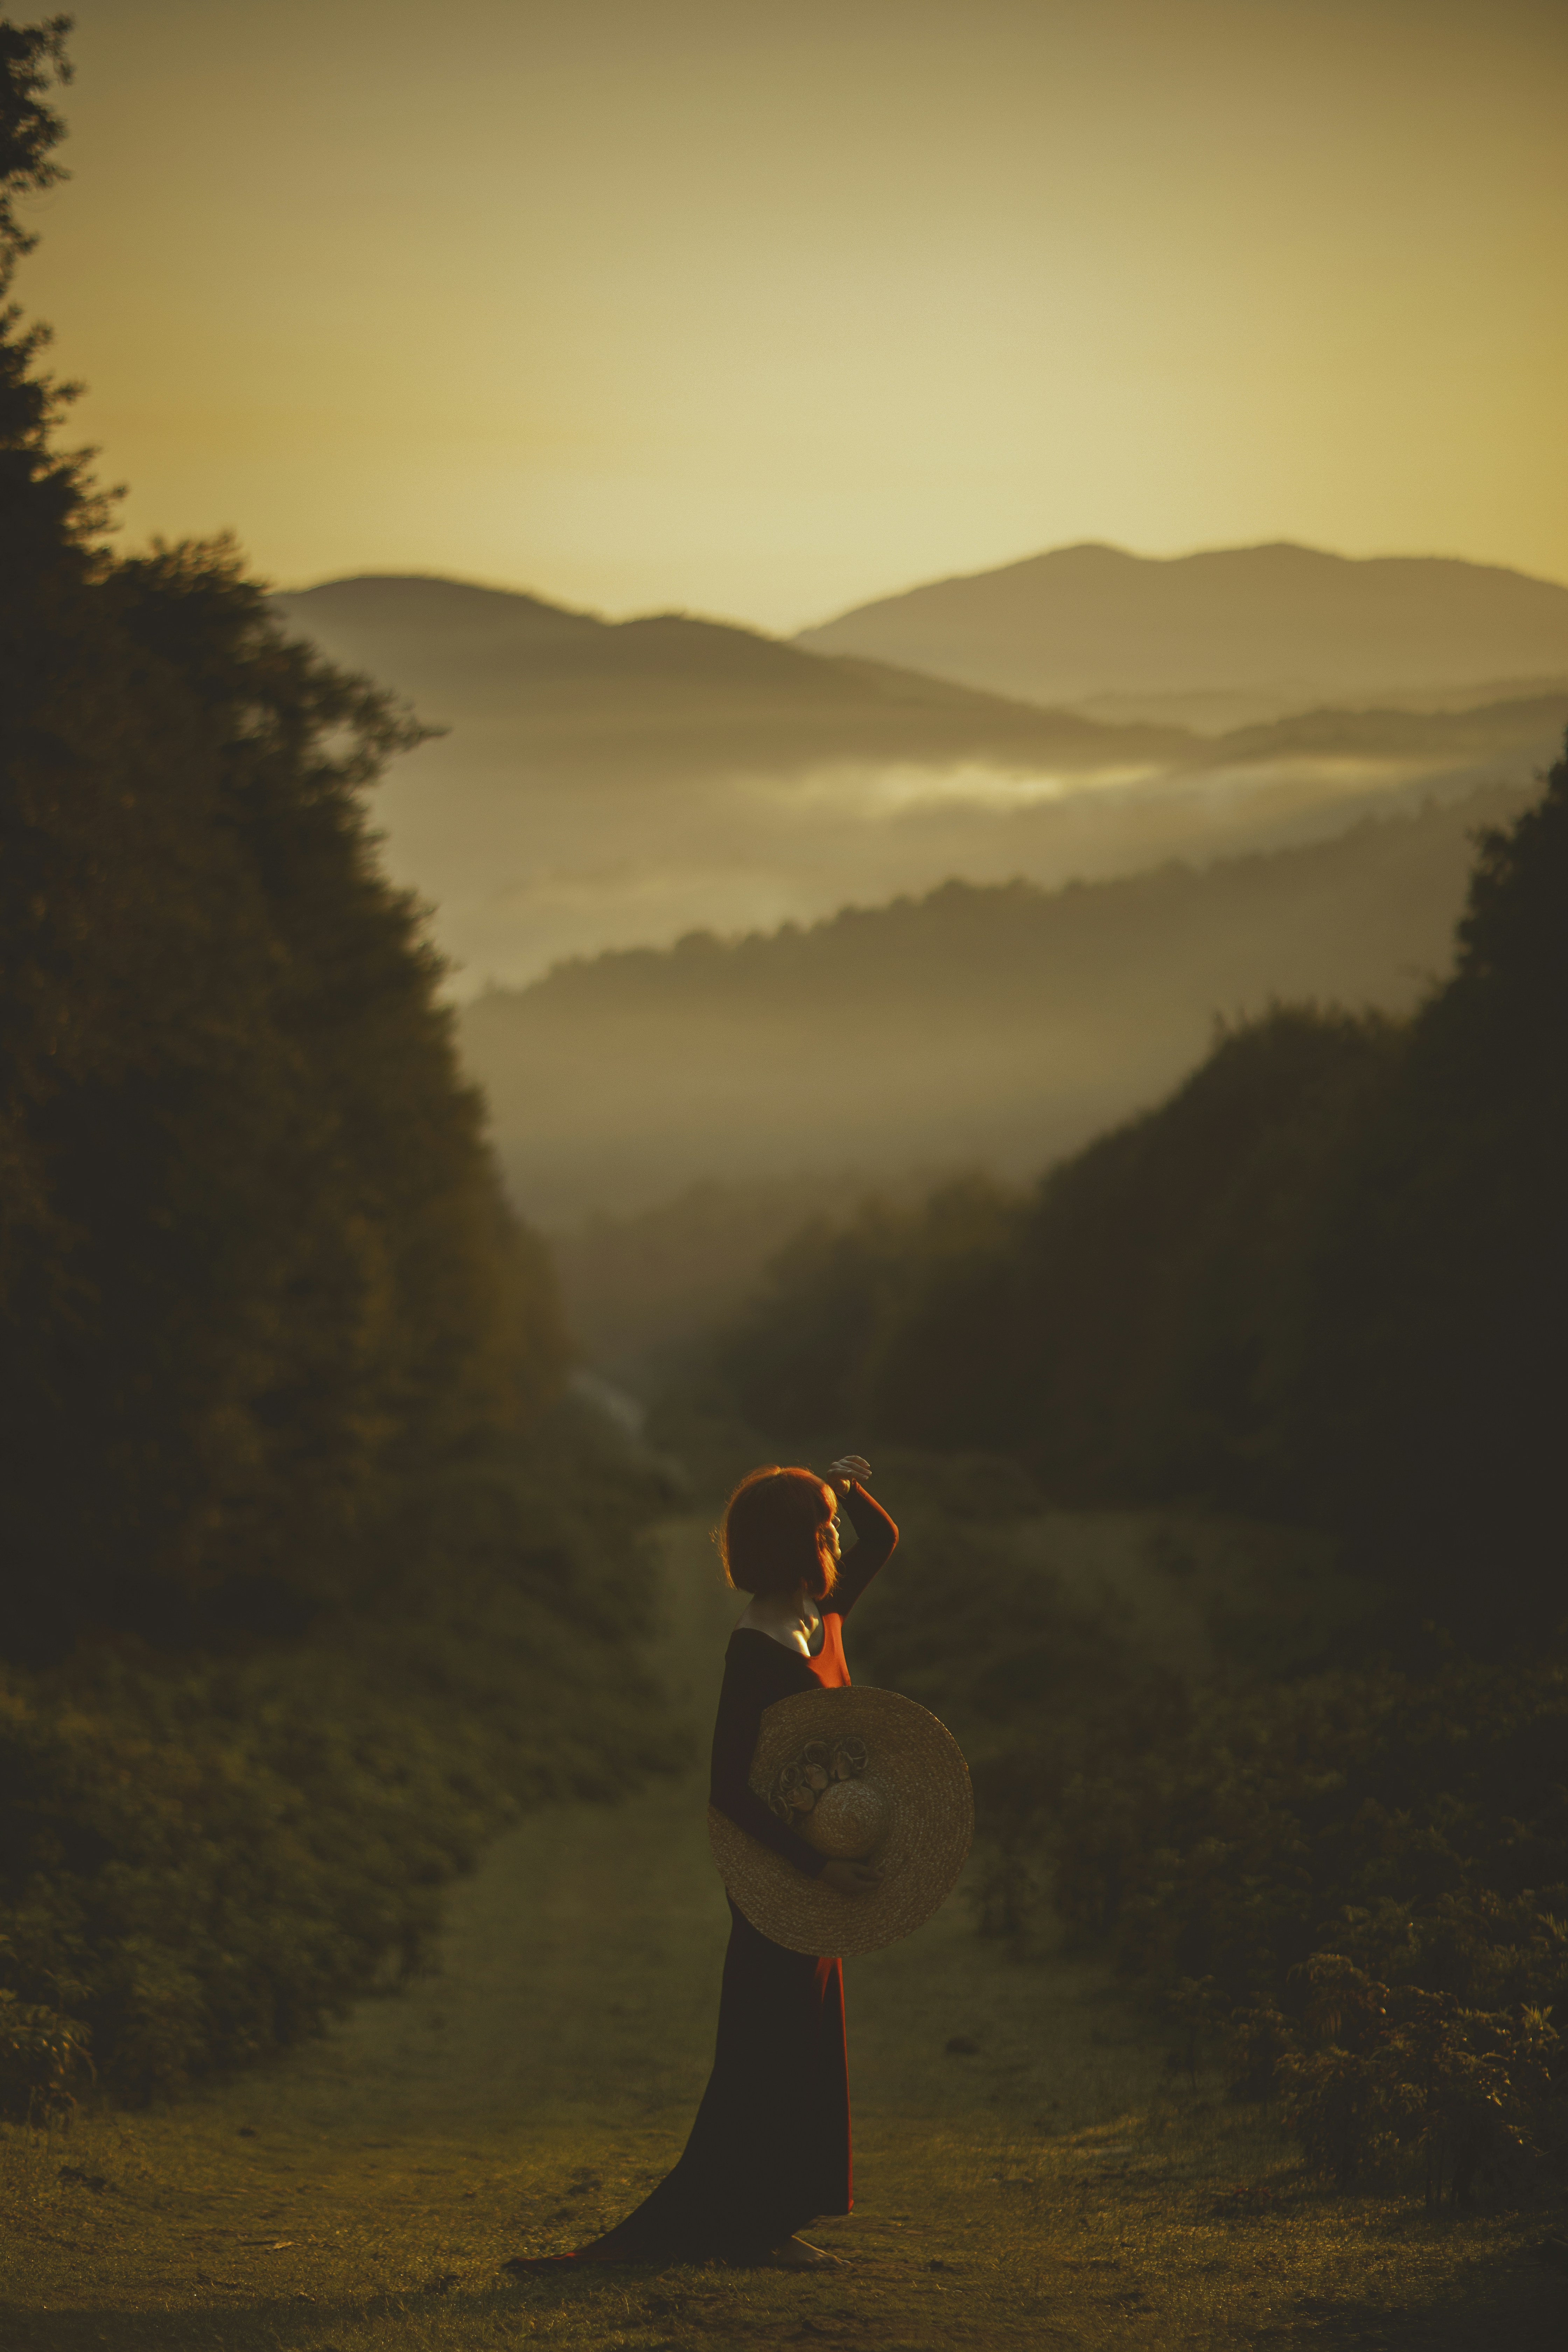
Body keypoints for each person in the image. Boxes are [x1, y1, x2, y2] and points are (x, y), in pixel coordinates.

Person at [506, 1453, 897, 2273]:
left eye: (830, 1521)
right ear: (791, 1543)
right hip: (773, 1875)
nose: (833, 1533)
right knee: (764, 2053)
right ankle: (731, 2226)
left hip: (812, 1870)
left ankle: (768, 2224)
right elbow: (727, 1790)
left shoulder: (818, 1619)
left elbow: (881, 1540)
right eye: (820, 1523)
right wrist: (814, 1868)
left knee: (800, 2049)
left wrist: (847, 1487)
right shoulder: (757, 1649)